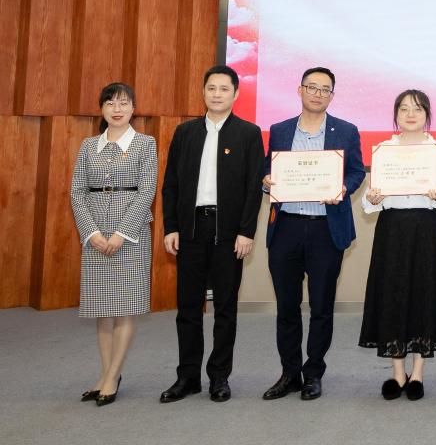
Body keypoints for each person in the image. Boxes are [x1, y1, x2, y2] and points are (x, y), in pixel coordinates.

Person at [159, 65, 264, 403]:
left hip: (229, 232)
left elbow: (253, 188)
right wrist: (171, 227)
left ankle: (219, 376)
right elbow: (171, 184)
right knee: (188, 307)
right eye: (211, 88)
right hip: (190, 229)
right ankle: (187, 377)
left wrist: (246, 231)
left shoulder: (248, 133)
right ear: (203, 92)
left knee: (225, 309)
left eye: (224, 89)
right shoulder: (185, 132)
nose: (217, 94)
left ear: (236, 94)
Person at [260, 67, 366, 402]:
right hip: (286, 227)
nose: (318, 94)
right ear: (300, 90)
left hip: (325, 229)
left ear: (332, 95)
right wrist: (266, 180)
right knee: (287, 307)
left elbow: (357, 172)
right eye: (312, 87)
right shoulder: (280, 130)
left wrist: (343, 188)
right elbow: (268, 168)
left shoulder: (346, 131)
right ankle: (289, 373)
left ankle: (314, 373)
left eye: (325, 89)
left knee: (321, 306)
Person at [360, 90, 436, 401]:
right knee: (392, 294)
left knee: (423, 294)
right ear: (396, 115)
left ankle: (417, 373)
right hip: (392, 229)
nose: (410, 114)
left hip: (426, 228)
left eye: (417, 109)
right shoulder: (384, 150)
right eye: (403, 109)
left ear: (427, 114)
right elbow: (368, 202)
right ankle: (397, 372)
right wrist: (372, 198)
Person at [69, 82, 157, 406]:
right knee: (102, 310)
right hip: (95, 233)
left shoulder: (145, 143)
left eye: (123, 103)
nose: (116, 109)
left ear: (133, 108)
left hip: (130, 235)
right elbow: (77, 192)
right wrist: (91, 232)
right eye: (110, 103)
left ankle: (112, 376)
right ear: (102, 109)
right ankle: (107, 375)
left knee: (124, 308)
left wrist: (122, 233)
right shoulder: (88, 145)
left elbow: (147, 191)